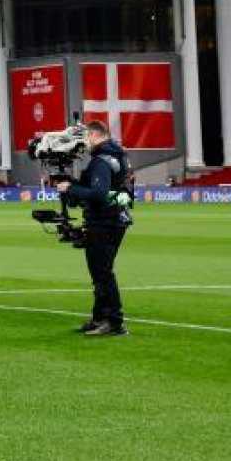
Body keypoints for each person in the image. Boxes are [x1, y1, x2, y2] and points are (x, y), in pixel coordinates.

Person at [56, 119, 134, 336]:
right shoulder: (120, 155)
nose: (84, 144)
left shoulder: (101, 160)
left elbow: (99, 193)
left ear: (94, 135)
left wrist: (71, 187)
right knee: (101, 272)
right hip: (116, 218)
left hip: (104, 222)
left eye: (85, 138)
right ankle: (100, 317)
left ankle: (114, 322)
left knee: (102, 272)